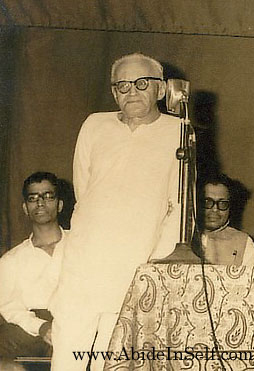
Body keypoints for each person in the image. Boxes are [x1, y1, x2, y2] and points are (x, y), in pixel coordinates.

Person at [49, 53, 180, 371]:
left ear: (160, 90)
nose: (131, 91)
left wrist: (154, 261)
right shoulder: (95, 124)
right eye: (122, 85)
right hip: (84, 262)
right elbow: (84, 189)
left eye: (141, 83)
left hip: (134, 265)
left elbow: (177, 206)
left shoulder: (179, 131)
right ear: (113, 92)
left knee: (114, 359)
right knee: (68, 355)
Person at [0, 172, 66, 359]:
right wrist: (42, 327)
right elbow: (9, 307)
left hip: (78, 323)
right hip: (32, 331)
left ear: (60, 205)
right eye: (33, 198)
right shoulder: (10, 260)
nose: (40, 203)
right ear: (25, 208)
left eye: (48, 196)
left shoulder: (81, 246)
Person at [198, 174, 254, 265]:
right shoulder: (181, 238)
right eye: (207, 202)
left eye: (222, 204)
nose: (215, 209)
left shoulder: (244, 242)